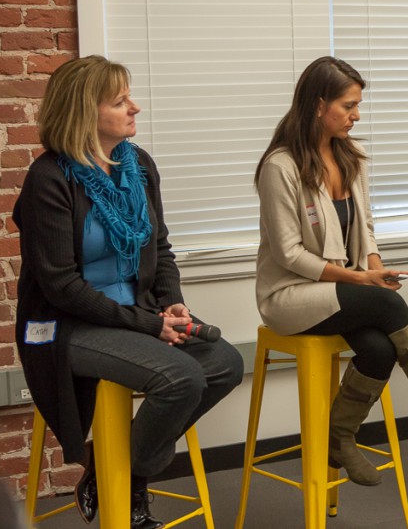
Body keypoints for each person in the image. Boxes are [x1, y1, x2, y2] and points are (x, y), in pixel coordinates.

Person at [13, 56, 244, 529]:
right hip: (65, 324)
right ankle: (133, 483)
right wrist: (151, 325)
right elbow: (61, 286)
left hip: (135, 312)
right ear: (84, 112)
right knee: (180, 377)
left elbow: (158, 247)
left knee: (223, 363)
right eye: (119, 101)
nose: (134, 107)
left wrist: (170, 300)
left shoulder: (137, 165)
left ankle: (114, 469)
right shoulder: (49, 180)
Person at [254, 56, 408, 486]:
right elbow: (290, 255)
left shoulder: (353, 156)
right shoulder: (281, 166)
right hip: (290, 295)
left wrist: (374, 267)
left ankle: (339, 436)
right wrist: (360, 280)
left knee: (380, 350)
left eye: (357, 105)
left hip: (340, 291)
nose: (357, 115)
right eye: (348, 106)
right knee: (386, 305)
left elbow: (365, 227)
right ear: (317, 104)